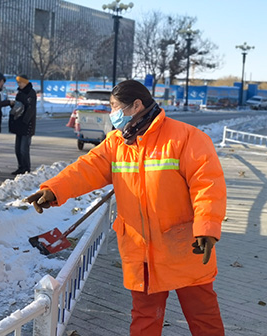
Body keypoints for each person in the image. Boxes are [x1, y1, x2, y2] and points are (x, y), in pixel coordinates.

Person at [25, 80, 226, 336]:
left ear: (136, 106)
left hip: (185, 246)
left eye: (113, 106)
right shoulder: (117, 143)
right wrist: (54, 189)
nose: (111, 113)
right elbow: (87, 169)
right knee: (144, 319)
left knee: (203, 317)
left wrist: (207, 228)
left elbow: (207, 185)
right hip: (140, 249)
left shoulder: (186, 137)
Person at [8, 74, 37, 175]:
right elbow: (17, 106)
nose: (19, 84)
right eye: (18, 82)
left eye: (20, 82)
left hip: (27, 125)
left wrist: (25, 121)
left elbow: (31, 109)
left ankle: (26, 168)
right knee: (17, 148)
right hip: (19, 124)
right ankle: (20, 167)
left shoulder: (31, 93)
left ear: (25, 82)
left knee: (24, 149)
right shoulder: (19, 93)